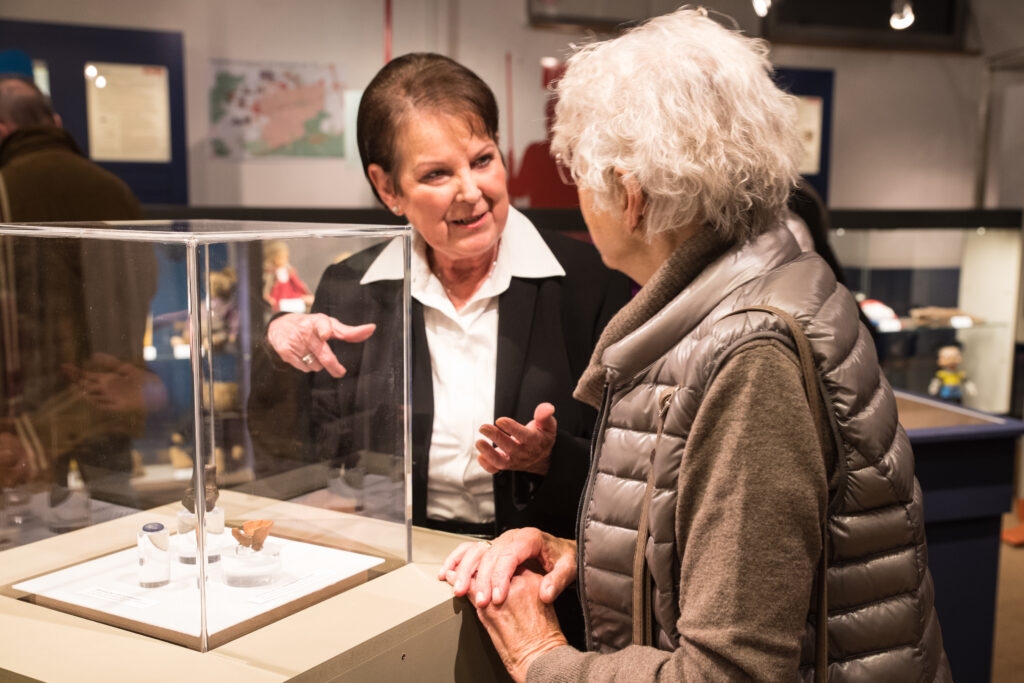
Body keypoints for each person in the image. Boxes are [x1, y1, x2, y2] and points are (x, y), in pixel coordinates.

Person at [440, 8, 950, 682]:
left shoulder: (751, 354)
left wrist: (544, 659)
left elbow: (730, 669)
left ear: (630, 196)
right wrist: (585, 555)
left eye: (581, 176)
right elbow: (742, 570)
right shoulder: (768, 284)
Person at [251, 52, 631, 639]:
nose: (471, 192)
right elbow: (311, 449)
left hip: (546, 589)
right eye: (436, 175)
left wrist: (548, 459)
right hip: (397, 578)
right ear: (388, 188)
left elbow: (636, 469)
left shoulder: (589, 281)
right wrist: (280, 350)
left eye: (483, 160)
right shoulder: (351, 288)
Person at [0, 74, 161, 510]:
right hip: (112, 386)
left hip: (31, 406)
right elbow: (145, 283)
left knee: (33, 520)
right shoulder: (112, 187)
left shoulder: (5, 187)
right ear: (54, 122)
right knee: (118, 510)